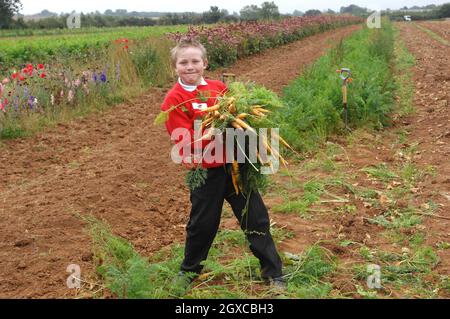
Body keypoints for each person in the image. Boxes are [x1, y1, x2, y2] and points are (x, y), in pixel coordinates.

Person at [160, 38, 285, 294]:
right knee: (202, 225)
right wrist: (209, 134)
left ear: (205, 63)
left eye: (195, 61)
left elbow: (240, 116)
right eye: (183, 62)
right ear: (175, 67)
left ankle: (274, 273)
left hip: (236, 165)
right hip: (205, 172)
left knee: (256, 218)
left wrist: (249, 129)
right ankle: (188, 272)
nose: (190, 66)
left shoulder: (219, 88)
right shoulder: (175, 99)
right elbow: (182, 140)